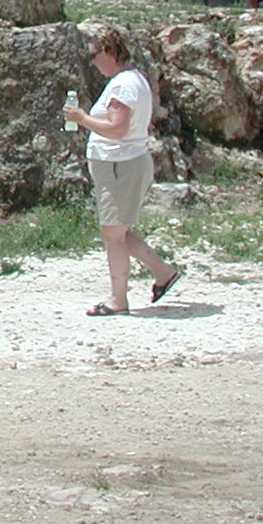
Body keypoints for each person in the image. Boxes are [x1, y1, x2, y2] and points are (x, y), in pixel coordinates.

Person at [62, 26, 182, 317]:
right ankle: (162, 272)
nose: (93, 62)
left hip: (120, 164)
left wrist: (82, 118)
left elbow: (117, 129)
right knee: (116, 230)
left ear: (109, 52)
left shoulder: (123, 86)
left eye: (94, 55)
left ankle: (119, 298)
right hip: (121, 163)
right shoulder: (132, 79)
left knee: (113, 233)